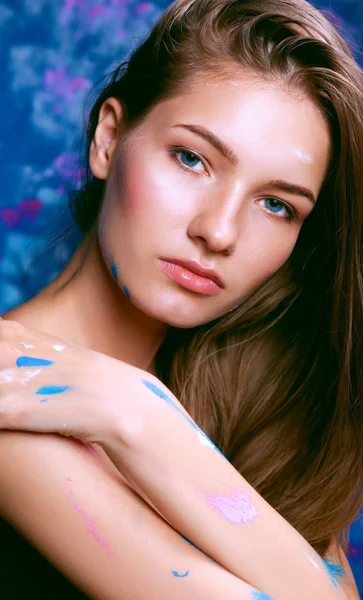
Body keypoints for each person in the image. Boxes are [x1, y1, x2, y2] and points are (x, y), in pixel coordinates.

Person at [0, 0, 362, 598]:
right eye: (192, 158)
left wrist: (139, 415)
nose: (218, 232)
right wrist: (136, 408)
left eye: (277, 205)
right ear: (108, 139)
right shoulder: (14, 394)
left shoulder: (250, 395)